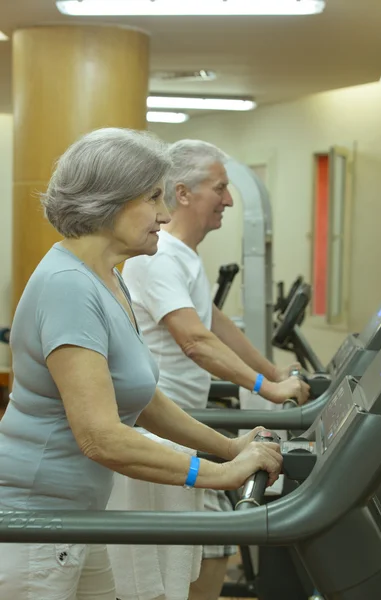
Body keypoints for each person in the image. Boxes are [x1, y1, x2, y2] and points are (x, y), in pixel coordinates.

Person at [0, 129, 283, 600]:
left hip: (79, 515)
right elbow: (100, 436)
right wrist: (213, 474)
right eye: (153, 198)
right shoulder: (68, 286)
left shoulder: (108, 279)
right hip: (37, 519)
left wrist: (227, 448)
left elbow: (144, 399)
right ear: (110, 201)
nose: (166, 215)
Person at [108, 139, 310, 600]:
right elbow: (196, 341)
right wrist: (268, 388)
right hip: (161, 422)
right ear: (183, 193)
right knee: (215, 538)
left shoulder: (182, 257)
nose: (229, 199)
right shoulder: (157, 259)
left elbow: (212, 322)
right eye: (220, 188)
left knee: (212, 544)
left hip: (184, 420)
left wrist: (273, 374)